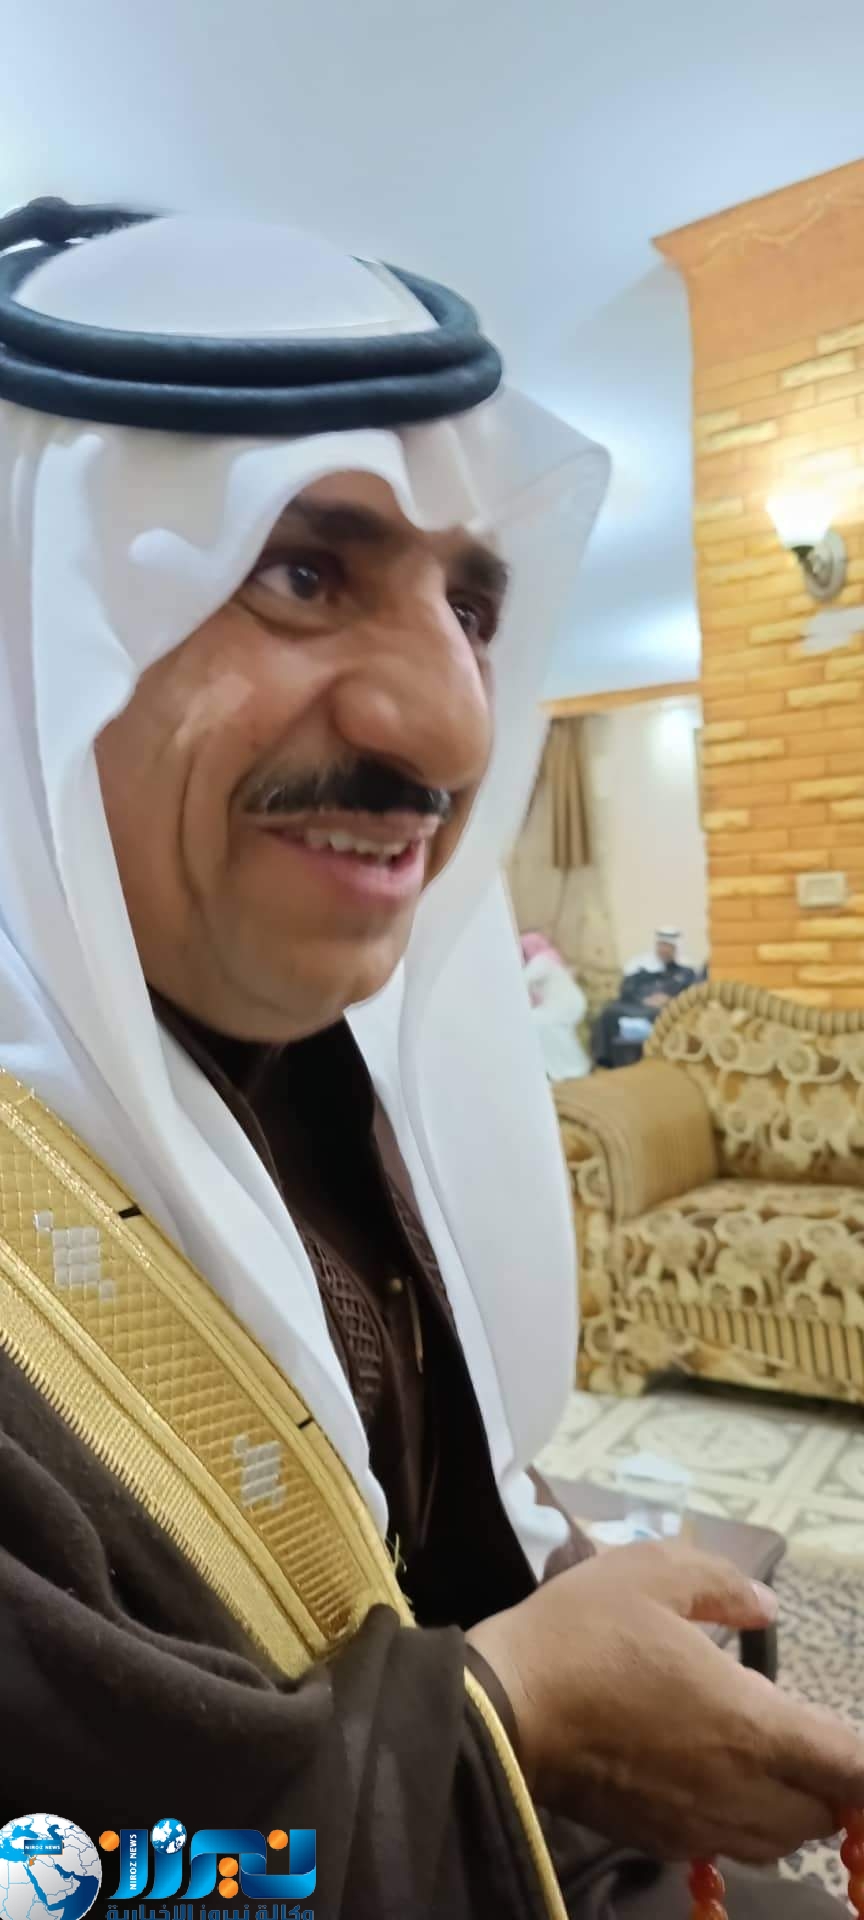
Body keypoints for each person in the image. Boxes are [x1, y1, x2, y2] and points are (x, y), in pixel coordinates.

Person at [0, 197, 860, 1920]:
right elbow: (57, 1882)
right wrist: (516, 1720)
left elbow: (421, 1507)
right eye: (302, 573)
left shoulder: (312, 1060)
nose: (454, 727)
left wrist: (567, 1598)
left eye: (470, 604)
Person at [592, 927, 698, 1068]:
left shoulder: (686, 971)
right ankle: (605, 1062)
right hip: (638, 1006)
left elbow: (691, 996)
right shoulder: (641, 966)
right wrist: (644, 999)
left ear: (676, 948)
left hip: (666, 1011)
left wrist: (669, 999)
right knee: (609, 1012)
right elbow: (627, 990)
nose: (664, 949)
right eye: (661, 945)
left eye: (669, 946)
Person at [520, 932, 591, 1081]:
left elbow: (522, 981)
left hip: (564, 1006)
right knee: (539, 1022)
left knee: (537, 1021)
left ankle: (567, 1069)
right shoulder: (548, 958)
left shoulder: (541, 960)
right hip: (562, 1005)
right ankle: (566, 1068)